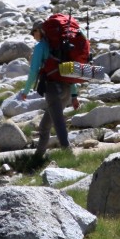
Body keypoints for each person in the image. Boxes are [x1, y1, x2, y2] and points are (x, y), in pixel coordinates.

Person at [20, 22, 80, 157]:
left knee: (59, 124)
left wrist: (25, 91)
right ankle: (38, 156)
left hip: (52, 90)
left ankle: (69, 155)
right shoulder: (60, 46)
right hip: (65, 89)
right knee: (44, 126)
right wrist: (74, 95)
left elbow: (34, 71)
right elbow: (68, 69)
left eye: (34, 32)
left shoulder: (40, 46)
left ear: (40, 31)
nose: (33, 35)